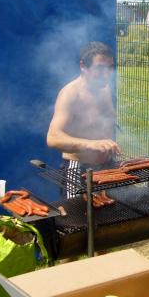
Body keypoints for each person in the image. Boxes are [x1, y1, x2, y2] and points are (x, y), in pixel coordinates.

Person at [47, 41, 120, 198]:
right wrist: (90, 144)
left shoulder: (105, 88)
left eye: (110, 68)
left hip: (107, 168)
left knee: (113, 215)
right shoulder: (70, 94)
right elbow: (52, 137)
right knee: (79, 219)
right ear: (83, 66)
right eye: (100, 68)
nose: (107, 74)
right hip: (78, 169)